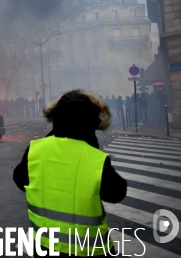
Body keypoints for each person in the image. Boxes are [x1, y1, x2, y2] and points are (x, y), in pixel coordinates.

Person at [13, 90, 127, 257]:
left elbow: (20, 179)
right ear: (91, 121)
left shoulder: (36, 149)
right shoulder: (95, 158)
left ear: (56, 118)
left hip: (45, 245)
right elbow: (116, 193)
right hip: (87, 250)